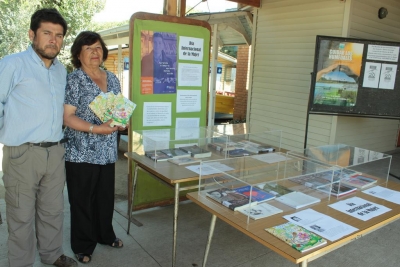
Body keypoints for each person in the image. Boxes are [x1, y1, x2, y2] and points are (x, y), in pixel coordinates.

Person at [0, 8, 77, 267]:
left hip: (55, 152)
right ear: (32, 34)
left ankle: (52, 254)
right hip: (23, 154)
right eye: (47, 33)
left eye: (58, 35)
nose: (53, 40)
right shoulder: (12, 64)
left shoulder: (60, 71)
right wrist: (10, 134)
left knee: (53, 211)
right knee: (21, 216)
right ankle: (21, 263)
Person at [63, 31, 126, 264]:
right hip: (81, 152)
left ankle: (105, 234)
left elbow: (119, 110)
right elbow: (68, 117)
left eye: (98, 47)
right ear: (78, 54)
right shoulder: (74, 79)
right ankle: (83, 245)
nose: (94, 52)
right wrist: (95, 128)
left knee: (104, 198)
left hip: (108, 151)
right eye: (88, 48)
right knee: (82, 200)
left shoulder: (112, 79)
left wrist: (122, 122)